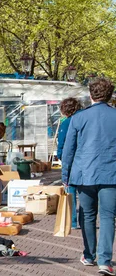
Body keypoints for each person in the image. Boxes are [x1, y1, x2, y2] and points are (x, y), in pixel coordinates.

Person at [61, 78, 116, 276]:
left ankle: (89, 255)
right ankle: (105, 260)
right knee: (109, 217)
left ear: (91, 95)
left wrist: (65, 175)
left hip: (84, 174)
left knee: (87, 215)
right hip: (111, 174)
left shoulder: (79, 118)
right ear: (110, 95)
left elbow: (69, 150)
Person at [56, 97, 83, 229]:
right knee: (85, 192)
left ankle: (72, 221)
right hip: (86, 160)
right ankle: (85, 220)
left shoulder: (67, 123)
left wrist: (60, 156)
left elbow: (62, 144)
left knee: (70, 189)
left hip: (72, 160)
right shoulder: (85, 120)